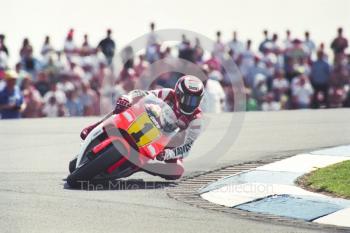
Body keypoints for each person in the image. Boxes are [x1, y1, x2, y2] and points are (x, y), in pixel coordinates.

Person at [80, 75, 205, 180]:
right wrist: (127, 98)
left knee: (178, 171)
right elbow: (143, 94)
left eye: (194, 100)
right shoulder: (168, 94)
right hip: (150, 120)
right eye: (187, 99)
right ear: (178, 93)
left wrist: (168, 154)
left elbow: (187, 147)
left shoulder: (197, 119)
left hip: (169, 143)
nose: (190, 104)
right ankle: (95, 127)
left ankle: (142, 166)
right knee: (122, 106)